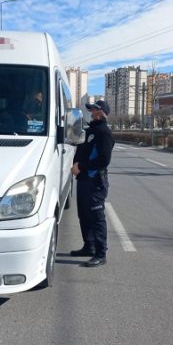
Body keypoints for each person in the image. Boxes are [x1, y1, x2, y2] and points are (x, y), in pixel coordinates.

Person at [70, 99, 114, 267]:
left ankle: (101, 253)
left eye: (95, 110)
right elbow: (81, 150)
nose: (92, 112)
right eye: (91, 110)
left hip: (95, 181)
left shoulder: (104, 132)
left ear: (102, 112)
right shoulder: (89, 131)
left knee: (96, 217)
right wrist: (75, 164)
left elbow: (104, 160)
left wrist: (80, 166)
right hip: (83, 179)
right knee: (84, 215)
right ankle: (89, 246)